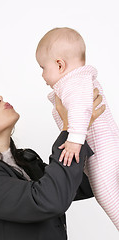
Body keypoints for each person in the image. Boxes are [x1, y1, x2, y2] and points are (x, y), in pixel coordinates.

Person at [0, 82, 104, 240]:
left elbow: (84, 183)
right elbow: (49, 199)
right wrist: (73, 131)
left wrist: (86, 123)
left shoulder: (25, 160)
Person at [36, 27, 119, 230]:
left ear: (59, 64)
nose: (42, 75)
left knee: (108, 195)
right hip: (107, 150)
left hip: (101, 155)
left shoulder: (73, 83)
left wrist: (74, 140)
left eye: (42, 68)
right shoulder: (79, 81)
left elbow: (82, 108)